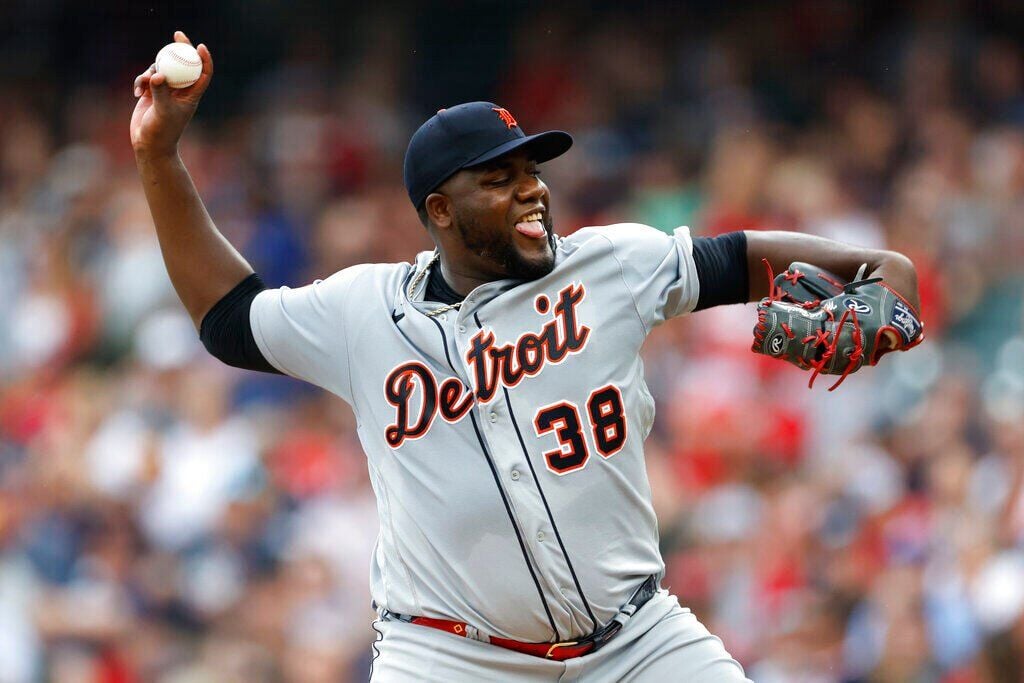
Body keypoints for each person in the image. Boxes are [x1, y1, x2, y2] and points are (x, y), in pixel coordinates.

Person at [131, 32, 921, 682]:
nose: (533, 190)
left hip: (635, 640)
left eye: (532, 170)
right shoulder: (363, 311)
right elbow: (228, 317)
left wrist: (891, 276)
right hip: (448, 655)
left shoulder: (610, 264)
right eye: (499, 178)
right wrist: (160, 158)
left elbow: (786, 261)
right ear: (440, 209)